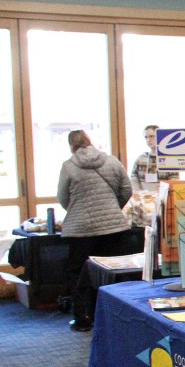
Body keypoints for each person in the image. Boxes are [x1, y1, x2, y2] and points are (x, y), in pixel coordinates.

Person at [57, 129, 133, 331]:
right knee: (113, 271)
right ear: (89, 141)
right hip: (113, 228)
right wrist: (113, 208)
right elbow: (127, 189)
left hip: (80, 230)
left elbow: (63, 197)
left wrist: (77, 210)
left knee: (78, 273)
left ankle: (83, 319)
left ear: (71, 145)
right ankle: (115, 316)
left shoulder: (69, 166)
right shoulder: (112, 161)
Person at [131, 124, 179, 191]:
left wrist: (163, 193)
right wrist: (138, 193)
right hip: (144, 196)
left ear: (159, 137)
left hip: (162, 196)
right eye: (146, 137)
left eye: (151, 136)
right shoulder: (140, 159)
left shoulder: (169, 159)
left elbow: (174, 180)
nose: (148, 140)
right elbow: (134, 178)